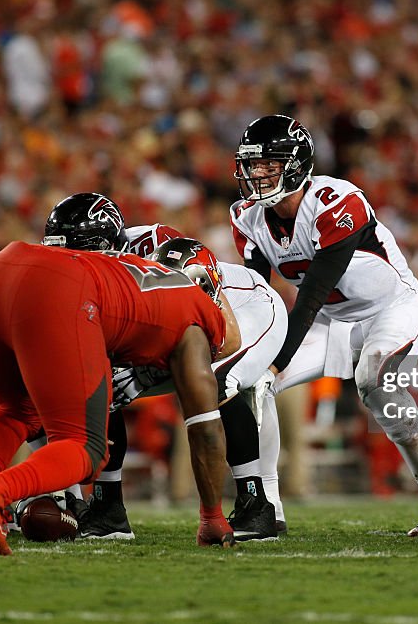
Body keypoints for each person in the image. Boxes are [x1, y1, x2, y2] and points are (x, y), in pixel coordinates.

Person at [230, 114, 418, 536]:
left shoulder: (337, 202)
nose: (258, 173)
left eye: (270, 163)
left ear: (297, 163)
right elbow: (261, 299)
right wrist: (252, 361)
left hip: (391, 308)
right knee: (248, 386)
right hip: (330, 321)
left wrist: (276, 364)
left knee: (374, 381)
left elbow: (311, 294)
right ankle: (265, 509)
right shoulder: (246, 218)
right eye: (253, 164)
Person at [0, 239, 243, 555]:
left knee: (16, 412)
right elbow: (206, 430)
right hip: (59, 289)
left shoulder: (139, 274)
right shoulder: (199, 317)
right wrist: (213, 516)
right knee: (86, 448)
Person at [39, 193, 283, 541]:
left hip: (245, 312)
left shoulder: (159, 250)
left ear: (104, 245)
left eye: (75, 252)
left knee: (214, 382)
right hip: (180, 332)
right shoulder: (78, 279)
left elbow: (220, 335)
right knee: (98, 383)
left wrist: (146, 372)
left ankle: (255, 505)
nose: (66, 262)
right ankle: (108, 509)